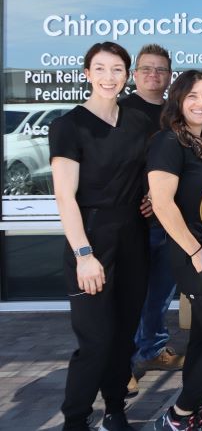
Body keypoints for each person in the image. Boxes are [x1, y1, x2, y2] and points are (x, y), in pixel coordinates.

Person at [50, 42, 151, 431]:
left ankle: (114, 411)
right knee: (95, 340)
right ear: (87, 74)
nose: (109, 77)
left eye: (117, 69)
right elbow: (64, 196)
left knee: (124, 335)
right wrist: (84, 254)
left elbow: (145, 174)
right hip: (90, 239)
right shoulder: (68, 125)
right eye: (101, 69)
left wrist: (149, 199)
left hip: (133, 238)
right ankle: (75, 420)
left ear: (126, 75)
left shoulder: (138, 122)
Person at [148, 70, 202, 431]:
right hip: (195, 256)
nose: (201, 103)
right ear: (178, 101)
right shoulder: (168, 143)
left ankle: (191, 411)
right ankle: (179, 415)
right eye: (192, 97)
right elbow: (163, 204)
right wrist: (196, 251)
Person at [124, 45, 185, 387]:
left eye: (160, 69)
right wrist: (142, 195)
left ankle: (154, 348)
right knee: (134, 293)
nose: (153, 75)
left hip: (168, 218)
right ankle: (127, 364)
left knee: (162, 292)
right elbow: (118, 165)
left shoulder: (172, 115)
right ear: (135, 74)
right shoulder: (122, 111)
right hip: (136, 220)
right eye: (147, 69)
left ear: (168, 75)